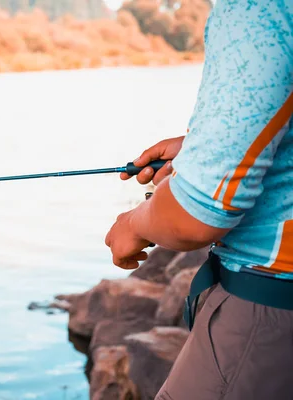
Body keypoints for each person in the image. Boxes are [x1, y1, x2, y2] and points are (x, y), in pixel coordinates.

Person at [104, 1, 293, 399]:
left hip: (268, 310)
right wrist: (201, 150)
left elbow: (199, 214)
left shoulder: (255, 10)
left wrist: (133, 224)